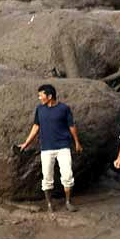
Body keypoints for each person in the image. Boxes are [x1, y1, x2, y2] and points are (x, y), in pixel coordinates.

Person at [17, 83, 82, 212]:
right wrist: (26, 143)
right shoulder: (39, 109)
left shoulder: (64, 108)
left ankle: (68, 202)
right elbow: (36, 127)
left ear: (50, 96)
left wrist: (77, 142)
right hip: (46, 148)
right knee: (47, 177)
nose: (39, 98)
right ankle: (49, 204)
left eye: (41, 95)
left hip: (63, 147)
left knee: (67, 175)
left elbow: (71, 126)